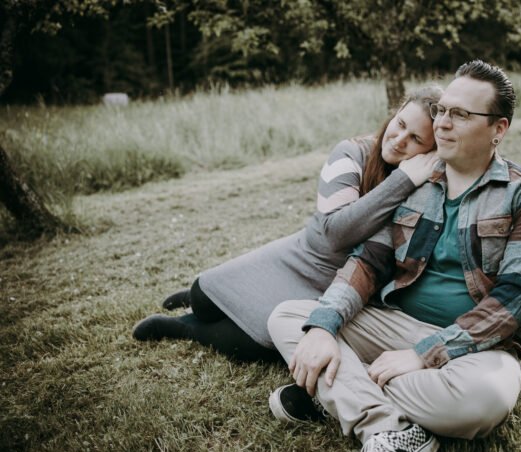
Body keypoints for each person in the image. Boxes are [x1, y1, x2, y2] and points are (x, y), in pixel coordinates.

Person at [267, 59, 521, 452]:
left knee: (484, 401)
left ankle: (338, 391)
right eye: (442, 110)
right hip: (395, 325)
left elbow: (516, 298)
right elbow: (368, 262)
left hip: (477, 346)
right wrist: (323, 326)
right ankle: (385, 427)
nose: (443, 123)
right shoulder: (417, 180)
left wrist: (426, 354)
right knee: (290, 317)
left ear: (499, 128)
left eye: (461, 114)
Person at [132, 86, 443, 362]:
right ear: (394, 114)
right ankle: (204, 297)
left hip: (341, 285)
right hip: (303, 257)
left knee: (260, 344)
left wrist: (411, 181)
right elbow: (335, 234)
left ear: (430, 152)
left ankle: (184, 328)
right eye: (400, 124)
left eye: (416, 138)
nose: (400, 139)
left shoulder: (426, 187)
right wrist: (402, 180)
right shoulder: (351, 153)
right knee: (203, 296)